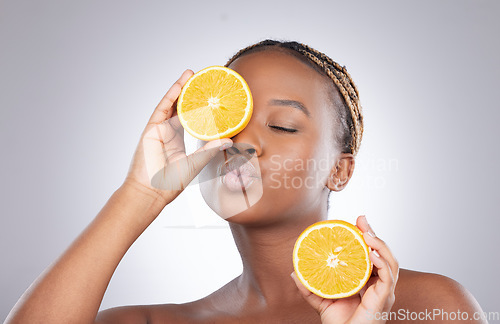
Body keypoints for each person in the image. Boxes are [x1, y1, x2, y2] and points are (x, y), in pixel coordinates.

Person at [5, 40, 486, 324]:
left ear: (341, 169)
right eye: (228, 125)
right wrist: (141, 194)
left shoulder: (428, 307)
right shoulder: (154, 322)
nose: (244, 143)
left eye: (282, 125)